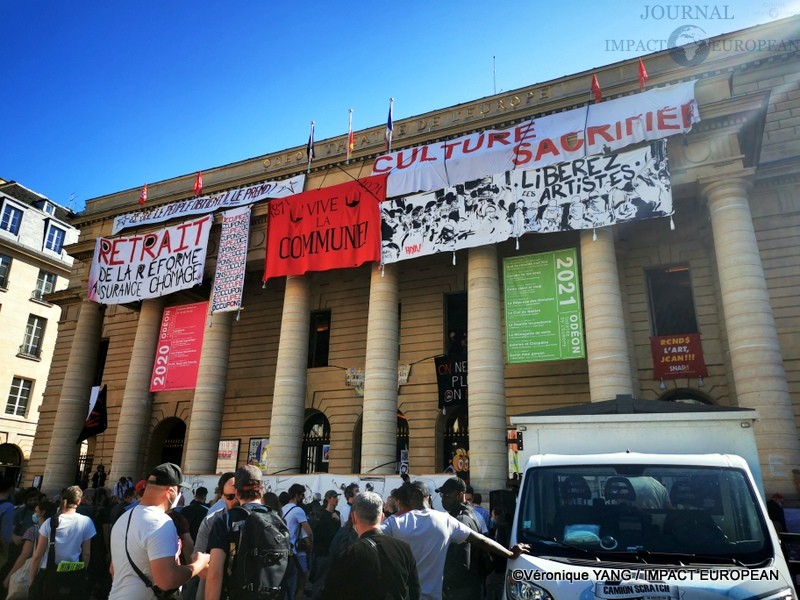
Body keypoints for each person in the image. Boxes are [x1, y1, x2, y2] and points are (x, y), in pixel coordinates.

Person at [381, 481, 528, 600]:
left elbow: (370, 537)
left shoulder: (395, 523)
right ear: (429, 498)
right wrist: (510, 553)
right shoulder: (445, 520)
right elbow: (482, 541)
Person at [107, 463, 209, 599]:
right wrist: (199, 565)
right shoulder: (160, 522)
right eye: (179, 490)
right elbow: (167, 580)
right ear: (170, 491)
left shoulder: (124, 518)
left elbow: (113, 570)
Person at [206, 465, 290, 600]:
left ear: (237, 492)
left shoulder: (226, 520)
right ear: (262, 490)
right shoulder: (278, 520)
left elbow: (215, 573)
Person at [322, 491, 420, 600]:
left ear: (354, 518)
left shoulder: (345, 556)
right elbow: (414, 591)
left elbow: (331, 594)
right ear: (382, 517)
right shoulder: (404, 549)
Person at [28, 486, 96, 598]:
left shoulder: (50, 522)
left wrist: (32, 583)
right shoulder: (86, 522)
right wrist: (83, 572)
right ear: (79, 501)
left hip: (49, 573)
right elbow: (87, 553)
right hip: (73, 573)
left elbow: (37, 555)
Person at [437, 478, 486, 600]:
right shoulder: (471, 515)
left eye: (447, 495)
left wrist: (447, 586)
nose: (443, 498)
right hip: (471, 586)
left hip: (461, 591)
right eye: (442, 495)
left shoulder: (461, 520)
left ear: (460, 495)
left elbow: (462, 563)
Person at [189, 472, 236, 600]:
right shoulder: (213, 518)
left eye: (239, 495)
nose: (236, 500)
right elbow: (197, 556)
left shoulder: (254, 520)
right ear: (222, 495)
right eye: (231, 496)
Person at [3, 499, 55, 598]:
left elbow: (24, 555)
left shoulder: (33, 531)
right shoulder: (55, 531)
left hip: (29, 572)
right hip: (47, 573)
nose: (34, 514)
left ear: (42, 513)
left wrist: (9, 575)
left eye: (36, 511)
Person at [283, 483, 314, 600]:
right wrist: (311, 548)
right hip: (296, 551)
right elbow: (309, 532)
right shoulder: (298, 510)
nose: (303, 498)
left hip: (284, 548)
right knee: (302, 578)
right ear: (296, 495)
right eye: (301, 495)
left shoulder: (283, 508)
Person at [310, 490, 341, 599]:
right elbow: (317, 533)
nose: (337, 500)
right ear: (328, 498)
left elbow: (338, 533)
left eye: (337, 497)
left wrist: (337, 521)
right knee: (319, 580)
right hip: (322, 552)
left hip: (333, 552)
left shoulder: (337, 514)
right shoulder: (320, 513)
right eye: (334, 497)